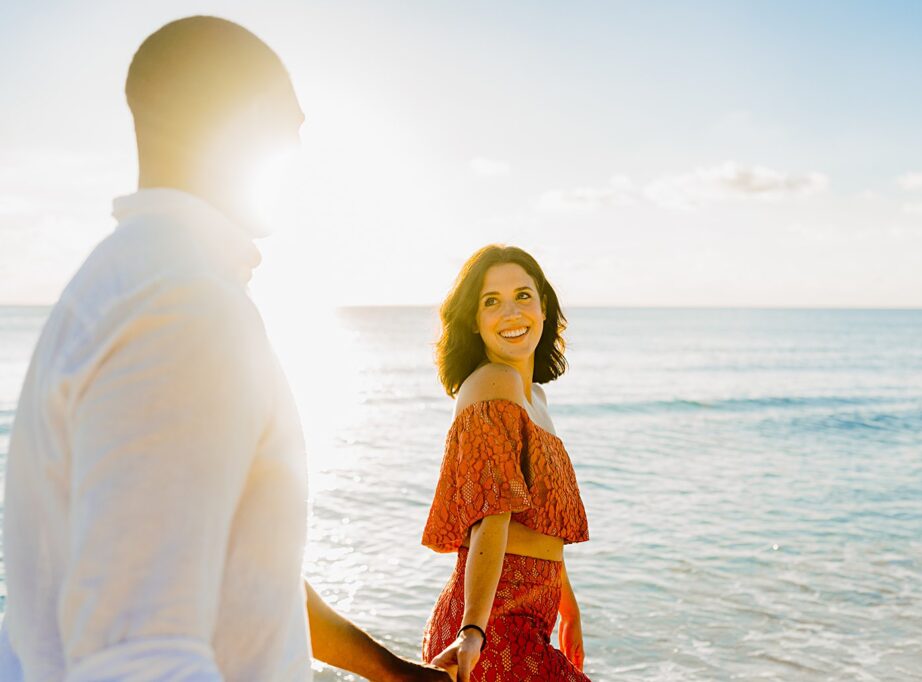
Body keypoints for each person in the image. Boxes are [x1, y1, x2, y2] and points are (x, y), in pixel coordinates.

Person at [0, 16, 449, 681]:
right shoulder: (180, 304)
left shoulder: (136, 279)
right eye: (289, 130)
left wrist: (396, 674)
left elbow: (243, 576)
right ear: (242, 126)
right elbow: (140, 656)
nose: (299, 154)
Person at [420, 245, 591, 681]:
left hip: (530, 621)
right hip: (490, 629)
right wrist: (473, 630)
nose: (511, 312)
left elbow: (539, 524)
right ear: (475, 322)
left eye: (522, 295)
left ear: (544, 306)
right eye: (490, 302)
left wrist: (566, 603)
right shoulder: (494, 382)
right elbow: (490, 516)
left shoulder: (535, 397)